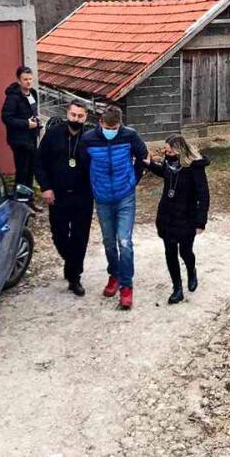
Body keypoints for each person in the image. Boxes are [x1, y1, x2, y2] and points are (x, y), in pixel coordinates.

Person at [80, 105, 148, 309]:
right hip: (102, 198)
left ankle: (126, 286)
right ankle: (114, 275)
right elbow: (84, 164)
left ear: (120, 124)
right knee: (109, 242)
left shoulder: (130, 135)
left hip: (125, 196)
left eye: (115, 128)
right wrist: (93, 184)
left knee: (124, 241)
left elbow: (143, 157)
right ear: (100, 123)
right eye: (108, 127)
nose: (111, 131)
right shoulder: (88, 139)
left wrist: (133, 180)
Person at [35, 100, 93, 297]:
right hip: (58, 195)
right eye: (73, 115)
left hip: (83, 195)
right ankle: (71, 263)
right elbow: (39, 162)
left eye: (80, 116)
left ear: (85, 117)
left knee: (80, 237)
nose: (76, 119)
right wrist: (45, 187)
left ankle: (74, 277)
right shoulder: (53, 134)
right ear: (67, 113)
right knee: (59, 234)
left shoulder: (91, 137)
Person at [144, 135, 210, 305]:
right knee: (170, 252)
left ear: (179, 150)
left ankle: (191, 270)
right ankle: (177, 289)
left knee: (185, 252)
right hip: (167, 215)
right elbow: (164, 173)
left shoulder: (194, 167)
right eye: (166, 150)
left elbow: (203, 195)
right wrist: (150, 164)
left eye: (169, 151)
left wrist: (201, 221)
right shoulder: (169, 162)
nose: (166, 153)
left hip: (187, 216)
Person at [1, 66, 42, 212]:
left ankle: (29, 200)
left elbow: (33, 112)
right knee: (22, 172)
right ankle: (19, 204)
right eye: (25, 79)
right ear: (19, 80)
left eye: (30, 79)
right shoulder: (13, 97)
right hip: (19, 141)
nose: (28, 82)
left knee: (30, 170)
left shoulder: (33, 93)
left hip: (32, 137)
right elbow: (6, 118)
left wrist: (36, 122)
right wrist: (26, 124)